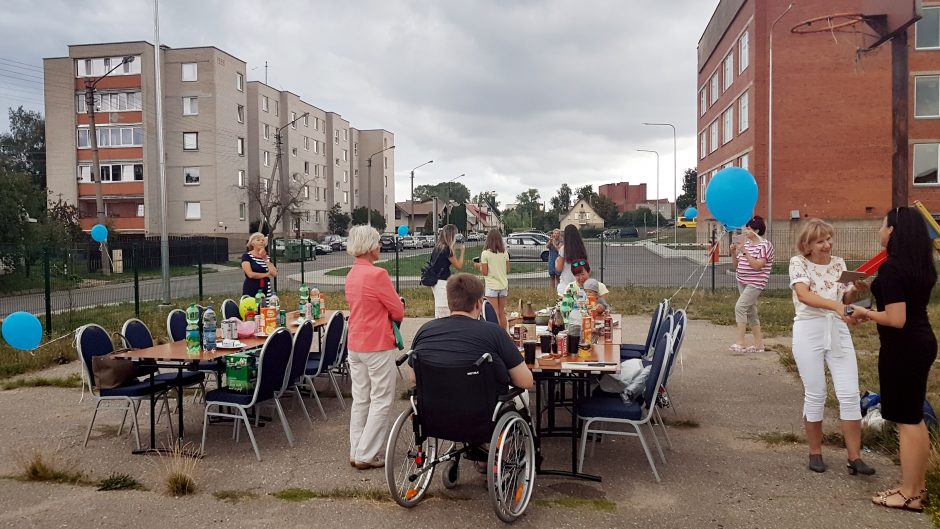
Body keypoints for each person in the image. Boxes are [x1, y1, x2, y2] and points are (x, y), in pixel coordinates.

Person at [849, 208, 937, 512]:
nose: (879, 229)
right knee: (913, 419)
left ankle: (909, 494)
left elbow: (896, 318)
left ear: (893, 231)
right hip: (920, 341)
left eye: (882, 224)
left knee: (907, 420)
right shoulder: (919, 265)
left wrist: (863, 313)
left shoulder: (893, 268)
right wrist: (869, 297)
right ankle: (914, 488)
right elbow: (899, 306)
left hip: (904, 348)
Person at [788, 218, 872, 475]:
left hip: (836, 328)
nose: (827, 245)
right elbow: (804, 294)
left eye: (829, 239)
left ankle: (855, 457)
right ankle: (815, 452)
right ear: (807, 244)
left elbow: (845, 297)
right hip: (808, 329)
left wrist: (855, 290)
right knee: (816, 393)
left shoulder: (839, 264)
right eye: (820, 241)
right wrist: (837, 306)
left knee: (848, 393)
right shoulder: (797, 263)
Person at [344, 225, 406, 470]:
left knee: (361, 399)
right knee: (381, 399)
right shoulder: (377, 274)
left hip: (356, 343)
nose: (380, 246)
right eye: (378, 243)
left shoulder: (351, 274)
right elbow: (397, 310)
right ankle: (366, 454)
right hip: (377, 344)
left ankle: (356, 448)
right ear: (370, 247)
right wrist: (397, 302)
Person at [412, 273, 534, 393]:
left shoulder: (425, 331)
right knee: (524, 395)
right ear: (478, 303)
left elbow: (414, 377)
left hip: (435, 409)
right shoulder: (495, 333)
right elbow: (526, 381)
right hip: (485, 408)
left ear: (449, 303)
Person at [729, 216, 775, 353]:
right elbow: (737, 266)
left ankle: (740, 342)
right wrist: (733, 253)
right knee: (751, 312)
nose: (745, 231)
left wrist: (744, 252)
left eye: (748, 229)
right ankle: (758, 344)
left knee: (740, 307)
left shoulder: (765, 246)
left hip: (756, 282)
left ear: (756, 230)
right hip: (741, 280)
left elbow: (757, 266)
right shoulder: (747, 244)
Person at [474, 228, 510, 329]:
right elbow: (507, 269)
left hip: (492, 286)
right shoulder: (505, 253)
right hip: (503, 285)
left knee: (495, 313)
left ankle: (496, 336)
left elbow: (485, 272)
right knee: (502, 312)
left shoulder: (485, 253)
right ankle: (504, 335)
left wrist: (478, 266)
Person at [429, 224, 465, 318]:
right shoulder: (447, 249)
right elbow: (459, 266)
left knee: (439, 308)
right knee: (444, 309)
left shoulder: (437, 247)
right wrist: (462, 252)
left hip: (435, 281)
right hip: (442, 282)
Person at [241, 232, 278, 299]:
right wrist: (266, 275)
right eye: (258, 240)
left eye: (263, 240)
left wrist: (265, 258)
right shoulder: (247, 256)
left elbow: (274, 273)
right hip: (252, 288)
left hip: (266, 289)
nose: (261, 241)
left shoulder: (267, 257)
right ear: (252, 243)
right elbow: (250, 274)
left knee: (266, 308)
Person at [555, 225, 588, 297]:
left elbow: (559, 268)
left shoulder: (563, 249)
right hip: (579, 282)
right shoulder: (582, 248)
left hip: (566, 284)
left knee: (565, 306)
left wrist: (556, 262)